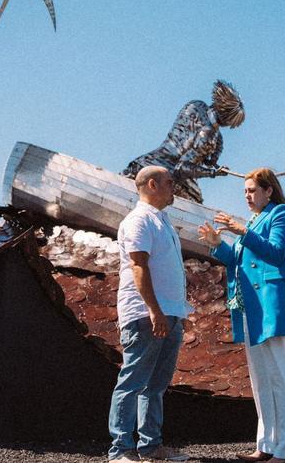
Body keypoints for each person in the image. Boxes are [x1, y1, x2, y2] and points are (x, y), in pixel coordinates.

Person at [197, 168, 285, 463]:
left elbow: (276, 253)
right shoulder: (253, 220)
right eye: (245, 191)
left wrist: (242, 232)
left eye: (252, 190)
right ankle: (267, 444)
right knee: (262, 379)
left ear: (269, 191)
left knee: (282, 377)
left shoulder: (282, 214)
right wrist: (216, 242)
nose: (247, 196)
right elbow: (235, 259)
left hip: (273, 305)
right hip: (252, 306)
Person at [107, 166, 192, 462]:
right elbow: (138, 266)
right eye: (170, 183)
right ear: (152, 184)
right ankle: (120, 449)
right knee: (132, 381)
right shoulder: (139, 220)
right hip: (146, 315)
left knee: (155, 385)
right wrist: (154, 311)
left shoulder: (162, 221)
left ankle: (151, 446)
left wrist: (177, 312)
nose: (174, 188)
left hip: (169, 314)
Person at [123, 80, 245, 203]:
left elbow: (202, 157)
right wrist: (212, 173)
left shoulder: (196, 105)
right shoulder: (210, 136)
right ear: (228, 120)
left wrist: (212, 162)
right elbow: (181, 168)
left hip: (144, 163)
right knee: (196, 201)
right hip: (167, 176)